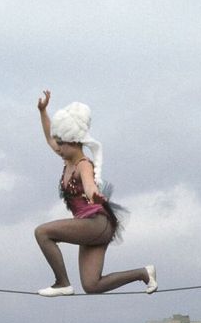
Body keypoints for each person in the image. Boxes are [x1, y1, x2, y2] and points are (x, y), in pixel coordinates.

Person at [33, 89, 157, 296]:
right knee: (92, 285)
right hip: (91, 228)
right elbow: (49, 138)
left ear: (73, 141)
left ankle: (62, 282)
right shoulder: (67, 158)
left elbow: (89, 185)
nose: (58, 148)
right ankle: (144, 273)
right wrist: (42, 111)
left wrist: (94, 196)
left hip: (96, 224)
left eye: (61, 143)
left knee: (42, 232)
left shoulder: (83, 164)